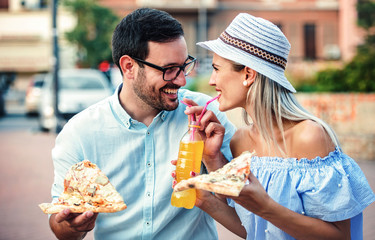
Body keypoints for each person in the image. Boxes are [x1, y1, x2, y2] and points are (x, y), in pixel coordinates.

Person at [174, 13, 375, 240]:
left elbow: (339, 236)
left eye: (217, 68)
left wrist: (266, 207)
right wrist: (209, 172)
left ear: (248, 74)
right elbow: (254, 229)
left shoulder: (310, 136)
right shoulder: (240, 141)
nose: (211, 80)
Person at [47, 8, 236, 240]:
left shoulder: (207, 116)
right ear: (129, 67)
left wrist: (214, 159)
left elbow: (244, 209)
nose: (182, 79)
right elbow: (61, 228)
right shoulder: (80, 133)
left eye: (184, 65)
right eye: (169, 70)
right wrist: (74, 225)